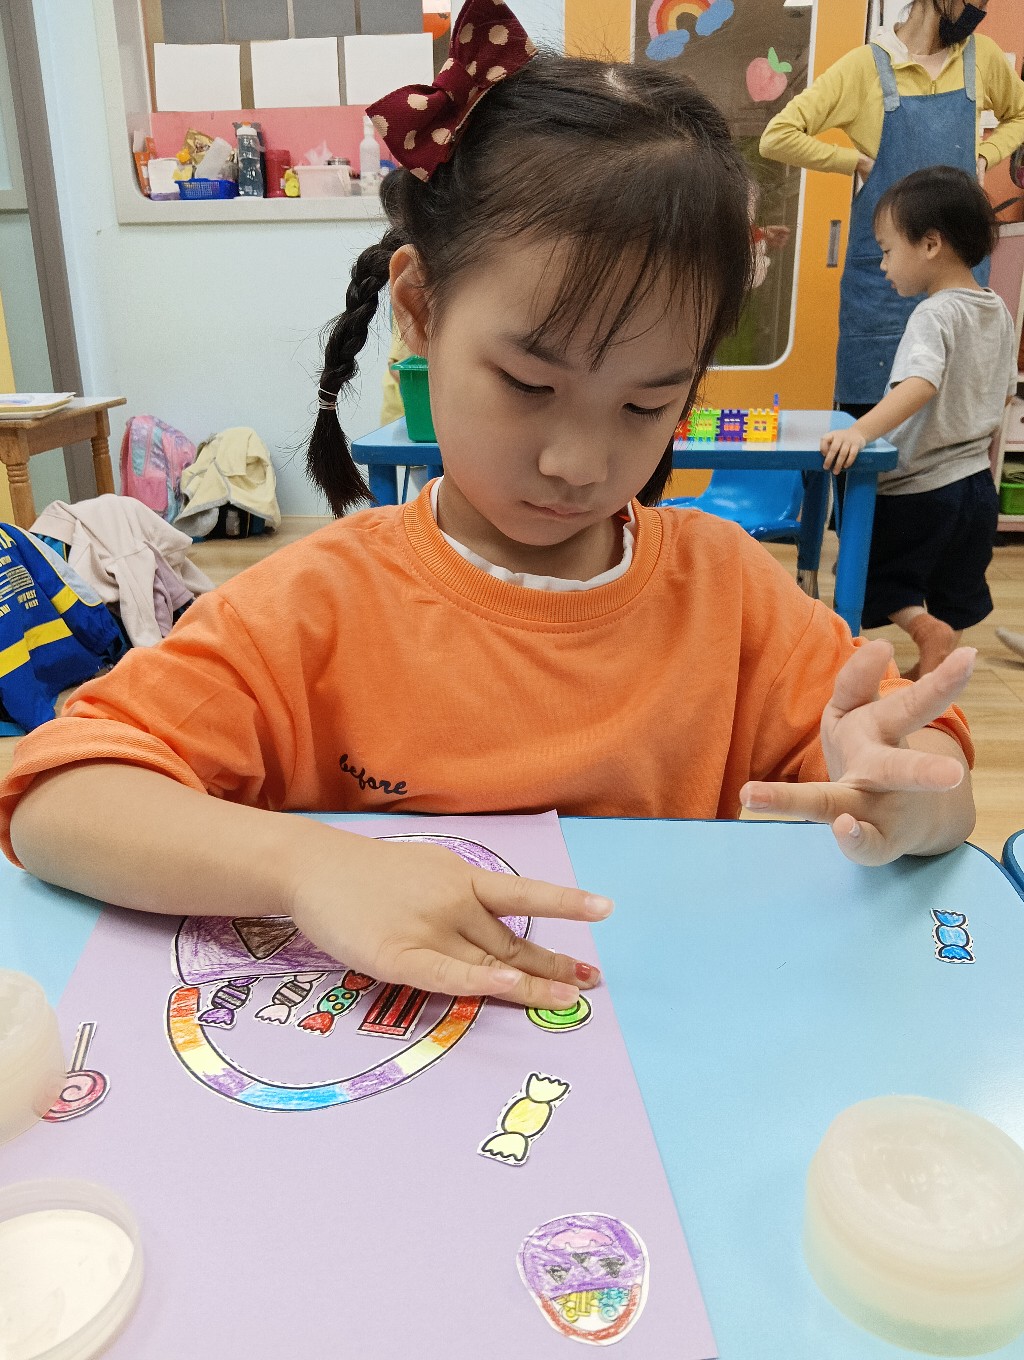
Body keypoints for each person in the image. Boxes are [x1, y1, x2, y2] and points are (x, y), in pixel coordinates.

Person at [0, 1, 978, 1015]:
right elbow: (57, 794)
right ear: (420, 310)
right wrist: (303, 864)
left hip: (657, 1045)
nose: (577, 462)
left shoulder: (727, 594)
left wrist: (906, 797)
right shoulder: (315, 609)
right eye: (527, 383)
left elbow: (931, 770)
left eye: (646, 404)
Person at [760, 0, 1024, 418]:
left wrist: (985, 156)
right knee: (872, 424)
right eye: (976, 0)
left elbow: (1021, 115)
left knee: (952, 415)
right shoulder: (865, 67)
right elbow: (777, 137)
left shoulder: (982, 57)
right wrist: (856, 162)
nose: (980, 10)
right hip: (883, 285)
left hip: (958, 280)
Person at [820, 166, 1015, 679]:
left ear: (930, 244)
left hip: (920, 487)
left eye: (887, 251)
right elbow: (1003, 395)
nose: (884, 265)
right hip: (976, 485)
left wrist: (860, 430)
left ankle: (925, 632)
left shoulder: (934, 314)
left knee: (870, 570)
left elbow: (920, 383)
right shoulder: (996, 309)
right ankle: (935, 668)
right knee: (956, 586)